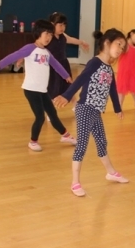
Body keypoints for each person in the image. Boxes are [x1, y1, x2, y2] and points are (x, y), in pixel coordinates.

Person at [53, 29, 129, 197]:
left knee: (102, 142)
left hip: (96, 111)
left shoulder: (108, 67)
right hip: (85, 108)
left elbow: (112, 88)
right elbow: (81, 79)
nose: (120, 49)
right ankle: (75, 183)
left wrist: (117, 108)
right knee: (82, 145)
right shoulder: (95, 62)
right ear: (107, 43)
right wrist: (67, 95)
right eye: (118, 44)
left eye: (123, 47)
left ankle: (111, 172)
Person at [0, 20, 76, 151]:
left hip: (42, 90)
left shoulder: (46, 52)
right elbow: (13, 56)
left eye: (51, 35)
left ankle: (65, 136)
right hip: (31, 89)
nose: (48, 37)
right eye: (46, 34)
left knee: (53, 114)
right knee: (40, 117)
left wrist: (66, 76)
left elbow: (56, 65)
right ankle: (33, 142)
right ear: (38, 33)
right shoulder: (30, 48)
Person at [46, 12, 90, 100]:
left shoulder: (63, 36)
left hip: (63, 64)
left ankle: (75, 105)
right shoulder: (48, 36)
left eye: (64, 25)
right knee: (53, 89)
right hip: (52, 67)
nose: (63, 27)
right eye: (60, 25)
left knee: (69, 87)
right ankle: (51, 107)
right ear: (52, 24)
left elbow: (70, 39)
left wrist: (82, 42)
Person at [117, 29, 135, 109]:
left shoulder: (134, 47)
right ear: (132, 34)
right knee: (123, 87)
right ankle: (119, 106)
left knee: (133, 86)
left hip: (133, 70)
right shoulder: (125, 44)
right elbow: (119, 51)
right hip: (125, 70)